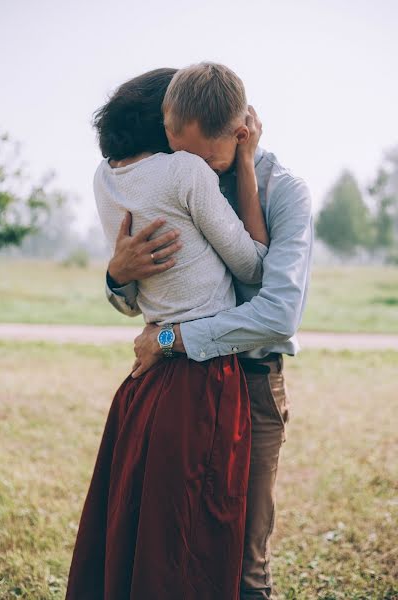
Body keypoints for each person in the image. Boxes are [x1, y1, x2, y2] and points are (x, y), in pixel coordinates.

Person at [106, 62, 314, 600]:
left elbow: (276, 314)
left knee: (243, 558)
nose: (192, 167)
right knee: (171, 543)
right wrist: (117, 276)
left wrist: (170, 338)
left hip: (250, 381)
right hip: (181, 388)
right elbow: (139, 299)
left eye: (206, 158)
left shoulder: (287, 194)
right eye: (182, 152)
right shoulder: (176, 173)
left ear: (241, 131)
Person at [66, 66, 269, 600]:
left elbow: (130, 301)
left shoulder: (105, 179)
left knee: (138, 527)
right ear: (170, 124)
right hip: (203, 378)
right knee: (193, 532)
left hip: (146, 376)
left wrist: (117, 275)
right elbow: (251, 268)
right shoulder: (185, 171)